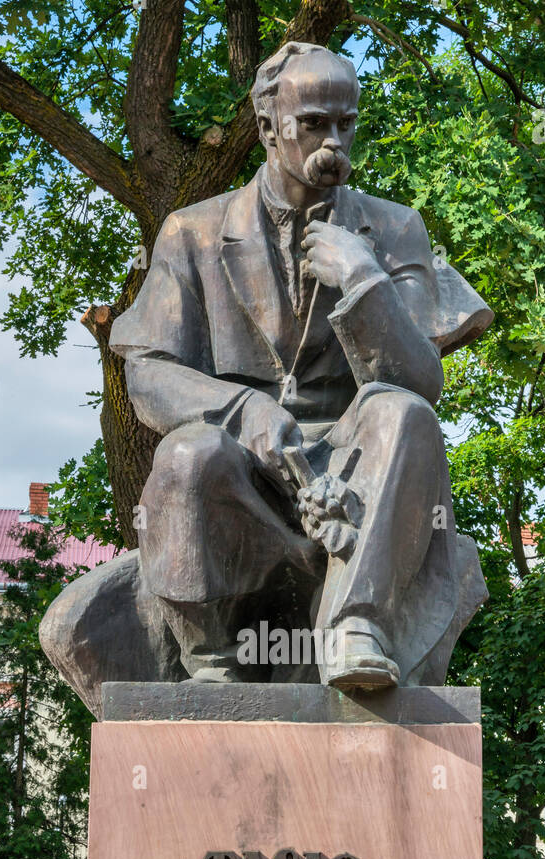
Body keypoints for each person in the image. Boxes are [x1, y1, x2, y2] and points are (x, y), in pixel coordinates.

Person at [109, 42, 493, 689]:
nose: (332, 141)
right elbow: (146, 371)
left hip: (353, 473)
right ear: (267, 127)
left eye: (345, 123)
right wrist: (241, 410)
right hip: (241, 478)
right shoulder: (191, 231)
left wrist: (365, 280)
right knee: (187, 454)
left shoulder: (394, 231)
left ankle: (354, 625)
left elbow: (421, 381)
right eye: (313, 122)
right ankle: (210, 660)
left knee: (403, 412)